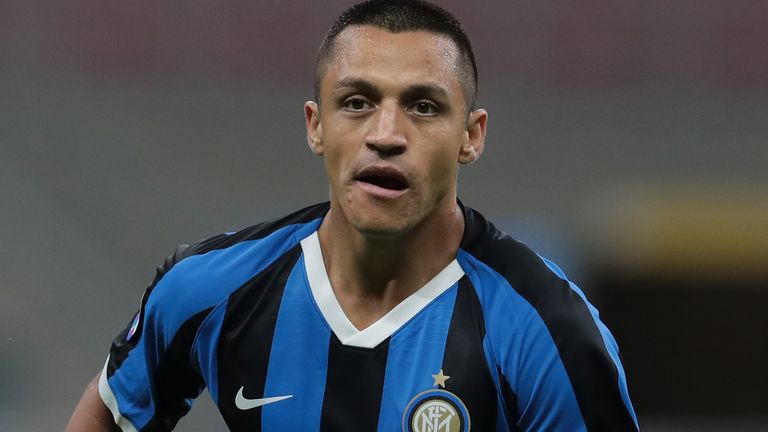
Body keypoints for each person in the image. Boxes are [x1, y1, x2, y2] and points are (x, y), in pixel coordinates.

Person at [66, 1, 639, 431]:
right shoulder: (209, 289)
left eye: (423, 106)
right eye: (357, 103)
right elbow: (108, 414)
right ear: (316, 125)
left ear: (471, 135)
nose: (386, 136)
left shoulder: (548, 331)